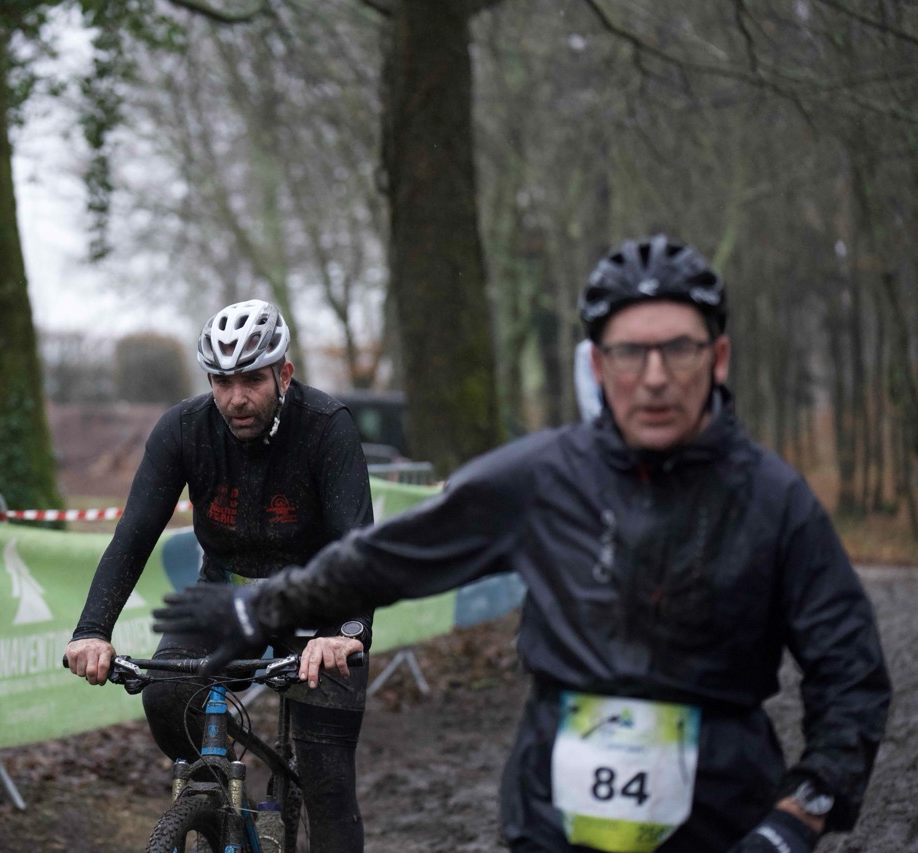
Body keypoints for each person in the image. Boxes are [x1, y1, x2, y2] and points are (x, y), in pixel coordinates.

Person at [153, 236, 892, 853]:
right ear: (597, 364)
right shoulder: (540, 478)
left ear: (719, 358)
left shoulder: (776, 502)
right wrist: (258, 611)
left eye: (680, 350)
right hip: (552, 822)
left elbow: (851, 676)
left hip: (725, 822)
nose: (655, 377)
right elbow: (384, 558)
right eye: (630, 352)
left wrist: (800, 815)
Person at [64, 298, 375, 853]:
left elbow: (357, 547)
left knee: (328, 785)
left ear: (284, 374)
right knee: (166, 695)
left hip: (320, 608)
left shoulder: (326, 426)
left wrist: (346, 632)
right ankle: (227, 809)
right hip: (228, 596)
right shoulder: (183, 430)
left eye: (252, 379)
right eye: (222, 381)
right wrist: (91, 630)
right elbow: (133, 536)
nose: (236, 398)